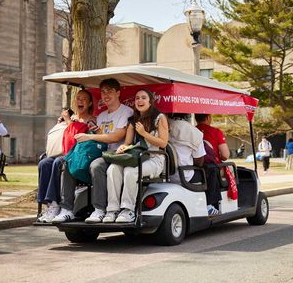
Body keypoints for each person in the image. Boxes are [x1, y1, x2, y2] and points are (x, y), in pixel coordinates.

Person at [53, 79, 133, 223]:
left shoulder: (126, 112)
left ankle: (99, 209)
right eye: (103, 92)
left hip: (116, 155)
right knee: (68, 162)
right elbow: (99, 137)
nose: (106, 95)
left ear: (118, 93)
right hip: (98, 152)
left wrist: (90, 135)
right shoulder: (101, 116)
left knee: (96, 165)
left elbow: (116, 137)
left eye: (110, 91)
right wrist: (95, 131)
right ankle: (67, 209)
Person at [104, 89, 169, 223]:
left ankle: (128, 210)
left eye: (143, 98)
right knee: (113, 168)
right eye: (137, 98)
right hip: (136, 157)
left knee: (131, 171)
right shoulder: (133, 120)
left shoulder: (160, 118)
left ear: (150, 102)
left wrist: (144, 133)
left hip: (154, 159)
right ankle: (112, 210)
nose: (139, 100)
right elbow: (128, 143)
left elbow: (163, 143)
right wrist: (123, 147)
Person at [38, 90, 97, 222]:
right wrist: (63, 122)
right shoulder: (72, 118)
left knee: (58, 162)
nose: (80, 102)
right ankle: (49, 204)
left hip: (79, 155)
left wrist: (69, 121)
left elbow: (78, 136)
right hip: (65, 151)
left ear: (90, 103)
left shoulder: (92, 120)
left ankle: (56, 204)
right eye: (78, 99)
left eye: (84, 99)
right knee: (44, 163)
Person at [195, 113, 229, 214]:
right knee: (231, 169)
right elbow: (225, 155)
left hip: (196, 166)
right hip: (212, 167)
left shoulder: (192, 131)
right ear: (208, 118)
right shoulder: (216, 132)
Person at [167, 113, 206, 185]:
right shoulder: (195, 132)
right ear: (188, 115)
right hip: (185, 176)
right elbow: (199, 161)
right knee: (211, 172)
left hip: (165, 174)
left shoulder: (163, 126)